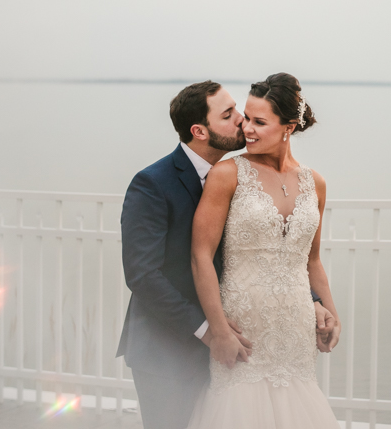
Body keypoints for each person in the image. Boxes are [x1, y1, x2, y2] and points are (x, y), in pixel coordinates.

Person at [117, 80, 337, 429]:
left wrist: (316, 302)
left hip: (250, 337)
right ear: (199, 131)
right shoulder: (153, 183)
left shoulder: (256, 174)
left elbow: (283, 255)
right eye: (231, 114)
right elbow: (143, 275)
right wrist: (210, 331)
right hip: (171, 346)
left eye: (246, 114)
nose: (241, 123)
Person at [188, 73, 341, 428]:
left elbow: (311, 259)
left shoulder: (314, 183)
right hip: (243, 331)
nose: (247, 129)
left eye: (260, 122)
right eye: (247, 118)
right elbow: (201, 257)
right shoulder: (228, 174)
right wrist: (220, 331)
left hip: (295, 332)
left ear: (288, 127)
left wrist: (330, 310)